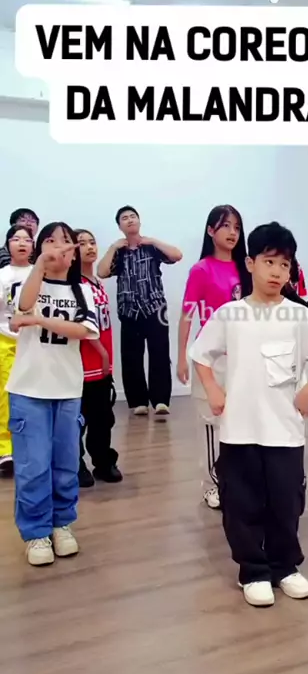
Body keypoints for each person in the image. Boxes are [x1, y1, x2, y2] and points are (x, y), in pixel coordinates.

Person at [190, 222, 308, 607]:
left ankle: (285, 566)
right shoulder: (230, 314)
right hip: (238, 428)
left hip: (284, 430)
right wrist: (212, 389)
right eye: (269, 262)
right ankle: (253, 570)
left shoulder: (300, 316)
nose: (277, 271)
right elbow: (201, 355)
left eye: (285, 264)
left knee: (286, 502)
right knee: (241, 503)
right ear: (250, 264)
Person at [7, 222, 99, 566]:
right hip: (28, 390)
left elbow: (83, 331)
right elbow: (24, 304)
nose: (58, 247)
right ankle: (35, 532)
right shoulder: (27, 281)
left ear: (74, 253)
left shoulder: (83, 291)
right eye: (50, 240)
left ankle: (62, 524)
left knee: (65, 464)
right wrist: (40, 267)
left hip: (67, 390)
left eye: (65, 241)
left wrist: (39, 321)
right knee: (32, 466)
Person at [177, 204, 251, 510]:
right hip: (211, 359)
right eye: (225, 226)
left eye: (237, 227)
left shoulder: (247, 267)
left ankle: (239, 481)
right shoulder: (202, 270)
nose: (232, 232)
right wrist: (182, 356)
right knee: (211, 423)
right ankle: (212, 485)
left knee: (241, 423)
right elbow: (187, 314)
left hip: (244, 357)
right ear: (211, 231)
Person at [97, 206, 182, 417]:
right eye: (124, 218)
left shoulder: (151, 247)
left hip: (155, 307)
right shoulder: (119, 251)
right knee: (131, 357)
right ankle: (138, 402)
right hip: (129, 310)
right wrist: (113, 247)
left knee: (160, 353)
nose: (129, 220)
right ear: (120, 226)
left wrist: (153, 241)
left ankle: (161, 400)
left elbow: (177, 255)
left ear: (139, 221)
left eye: (133, 216)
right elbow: (102, 272)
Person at [76, 229, 122, 488]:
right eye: (81, 243)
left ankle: (103, 461)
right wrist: (101, 352)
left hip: (103, 366)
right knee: (78, 420)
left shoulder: (96, 282)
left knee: (103, 418)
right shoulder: (74, 285)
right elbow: (82, 325)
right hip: (83, 364)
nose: (89, 247)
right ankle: (76, 464)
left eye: (92, 242)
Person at [0, 225, 34, 477]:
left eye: (26, 239)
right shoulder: (3, 275)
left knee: (33, 394)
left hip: (35, 341)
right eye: (15, 239)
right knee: (5, 396)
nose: (21, 243)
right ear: (7, 245)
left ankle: (32, 445)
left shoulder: (39, 273)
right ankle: (5, 449)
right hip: (5, 340)